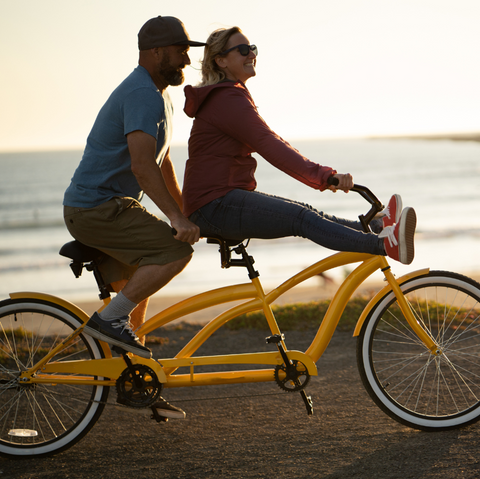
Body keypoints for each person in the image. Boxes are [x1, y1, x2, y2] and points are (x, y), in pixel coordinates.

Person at [63, 16, 205, 419]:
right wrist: (176, 221)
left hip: (103, 206)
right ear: (156, 52)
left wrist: (185, 211)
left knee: (132, 300)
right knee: (173, 254)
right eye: (180, 50)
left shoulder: (157, 94)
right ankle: (107, 322)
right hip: (99, 208)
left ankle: (136, 381)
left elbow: (162, 161)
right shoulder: (142, 93)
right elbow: (142, 167)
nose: (186, 57)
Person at [182, 27, 416, 266]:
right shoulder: (226, 99)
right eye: (242, 50)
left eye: (252, 49)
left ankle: (375, 226)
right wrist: (324, 176)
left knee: (305, 211)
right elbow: (269, 144)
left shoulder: (229, 95)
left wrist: (324, 177)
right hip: (214, 206)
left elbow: (271, 139)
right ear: (220, 60)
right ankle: (384, 245)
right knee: (301, 218)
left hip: (219, 201)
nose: (251, 54)